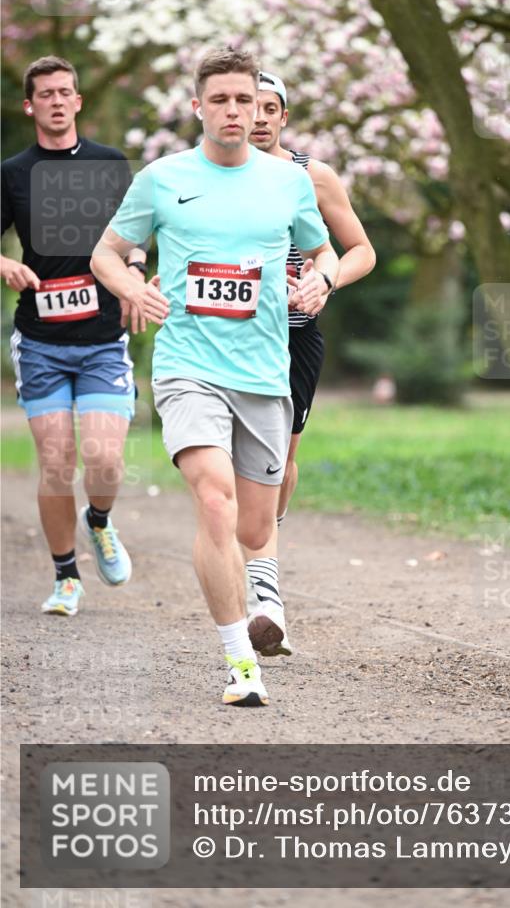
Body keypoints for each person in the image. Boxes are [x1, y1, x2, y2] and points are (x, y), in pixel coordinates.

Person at [90, 47, 338, 708]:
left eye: (246, 101)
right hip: (187, 367)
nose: (235, 111)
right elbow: (105, 253)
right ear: (198, 107)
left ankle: (263, 596)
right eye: (221, 100)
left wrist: (322, 276)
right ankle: (239, 664)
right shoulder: (162, 179)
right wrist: (131, 286)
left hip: (262, 371)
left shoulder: (287, 183)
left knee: (257, 526)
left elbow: (323, 249)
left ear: (261, 108)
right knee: (214, 501)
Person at [1, 56, 145, 617]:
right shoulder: (13, 173)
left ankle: (100, 522)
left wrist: (134, 272)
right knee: (57, 463)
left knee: (105, 461)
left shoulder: (111, 166)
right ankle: (65, 576)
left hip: (104, 337)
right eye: (46, 94)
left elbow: (135, 237)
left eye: (66, 91)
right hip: (40, 339)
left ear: (78, 101)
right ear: (30, 105)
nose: (57, 101)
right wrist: (6, 266)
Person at [244, 71, 376, 657]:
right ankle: (253, 557)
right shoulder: (213, 174)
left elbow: (362, 250)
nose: (261, 118)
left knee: (282, 455)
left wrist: (325, 278)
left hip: (295, 339)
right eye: (254, 107)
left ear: (284, 117)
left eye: (273, 109)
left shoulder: (311, 176)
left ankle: (265, 542)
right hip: (234, 339)